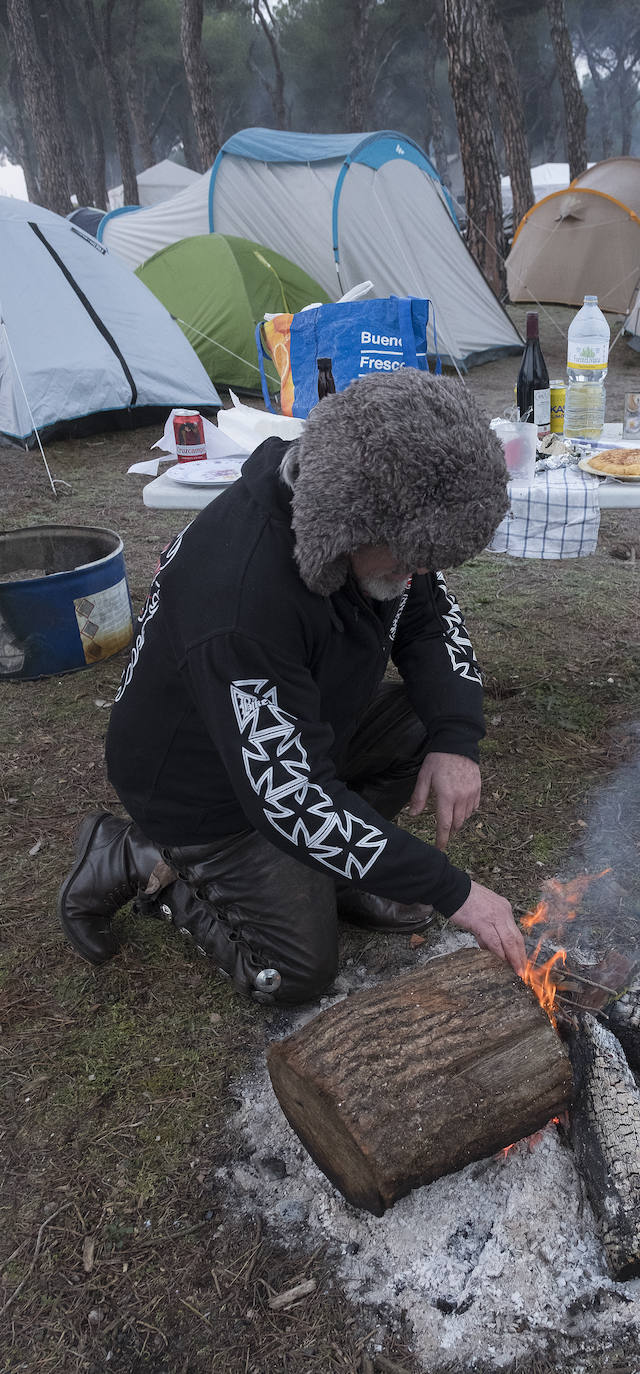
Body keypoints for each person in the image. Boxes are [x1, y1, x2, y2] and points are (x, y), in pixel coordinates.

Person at [57, 368, 527, 1003]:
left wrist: (457, 738)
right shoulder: (241, 598)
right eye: (409, 557)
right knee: (295, 975)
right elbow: (289, 796)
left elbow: (426, 619)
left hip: (298, 733)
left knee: (428, 722)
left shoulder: (351, 512)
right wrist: (452, 890)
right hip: (202, 794)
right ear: (349, 524)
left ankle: (332, 871)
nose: (421, 572)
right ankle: (142, 857)